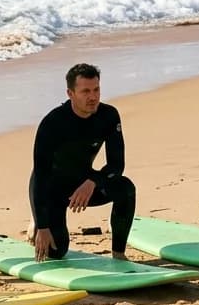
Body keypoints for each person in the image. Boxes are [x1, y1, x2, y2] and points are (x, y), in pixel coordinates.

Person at [29, 64, 135, 263]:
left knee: (125, 188)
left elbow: (116, 165)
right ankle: (35, 224)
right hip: (51, 189)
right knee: (56, 251)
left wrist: (93, 181)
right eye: (85, 91)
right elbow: (41, 175)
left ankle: (119, 254)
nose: (93, 97)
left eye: (96, 90)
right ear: (70, 93)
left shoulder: (108, 116)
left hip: (83, 184)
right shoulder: (52, 123)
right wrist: (43, 226)